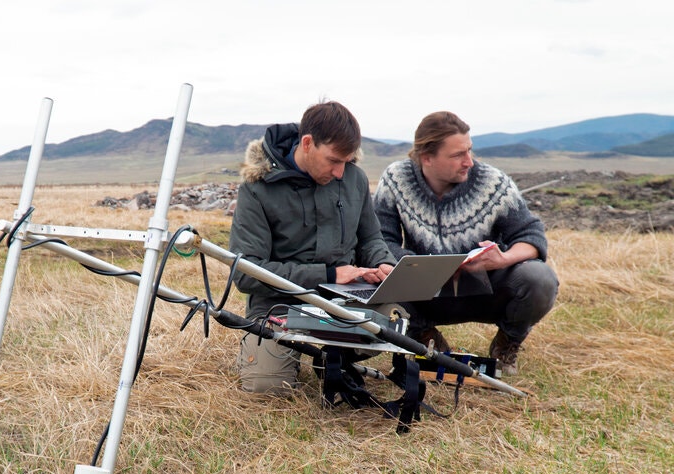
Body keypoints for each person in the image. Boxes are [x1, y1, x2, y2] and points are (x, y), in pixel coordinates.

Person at [228, 101, 397, 394]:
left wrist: (383, 263)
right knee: (267, 388)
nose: (341, 172)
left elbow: (371, 238)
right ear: (307, 144)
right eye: (333, 160)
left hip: (345, 300)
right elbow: (246, 273)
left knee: (396, 314)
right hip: (278, 305)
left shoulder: (354, 179)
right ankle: (289, 355)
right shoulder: (257, 187)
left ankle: (334, 357)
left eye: (346, 161)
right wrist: (329, 275)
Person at [373, 111, 559, 376]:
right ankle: (423, 336)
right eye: (458, 155)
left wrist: (503, 259)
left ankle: (507, 342)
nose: (469, 162)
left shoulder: (492, 182)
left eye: (469, 151)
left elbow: (531, 236)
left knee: (540, 278)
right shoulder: (395, 179)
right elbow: (381, 239)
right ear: (427, 157)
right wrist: (418, 266)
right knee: (377, 272)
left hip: (486, 289)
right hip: (425, 293)